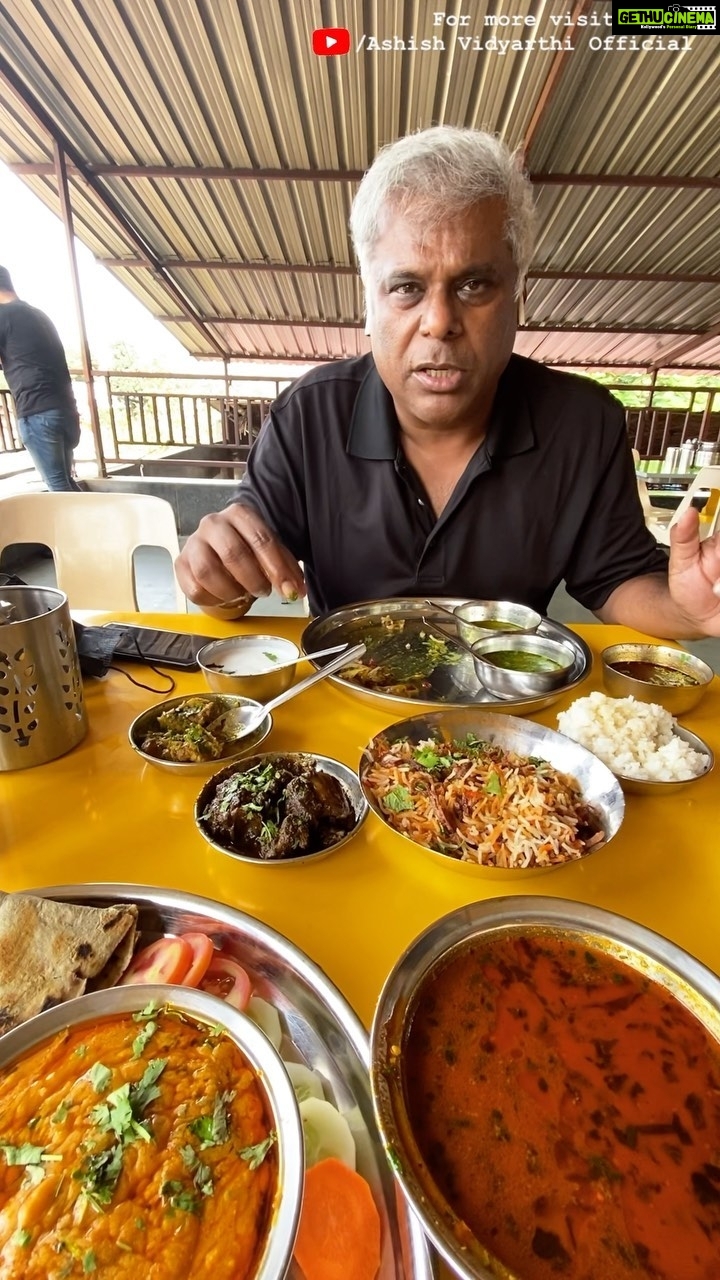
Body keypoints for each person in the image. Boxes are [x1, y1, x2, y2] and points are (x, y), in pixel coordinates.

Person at [176, 126, 720, 640]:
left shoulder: (582, 423)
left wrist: (688, 608)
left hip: (507, 705)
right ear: (369, 306)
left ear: (517, 299)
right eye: (407, 287)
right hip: (342, 695)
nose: (439, 321)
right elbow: (235, 578)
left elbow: (616, 577)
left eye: (475, 284)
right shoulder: (308, 415)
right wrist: (214, 574)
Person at [0, 266, 82, 491]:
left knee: (57, 486)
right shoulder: (37, 314)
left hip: (38, 411)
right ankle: (98, 524)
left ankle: (82, 527)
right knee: (65, 482)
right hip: (64, 410)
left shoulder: (2, 315)